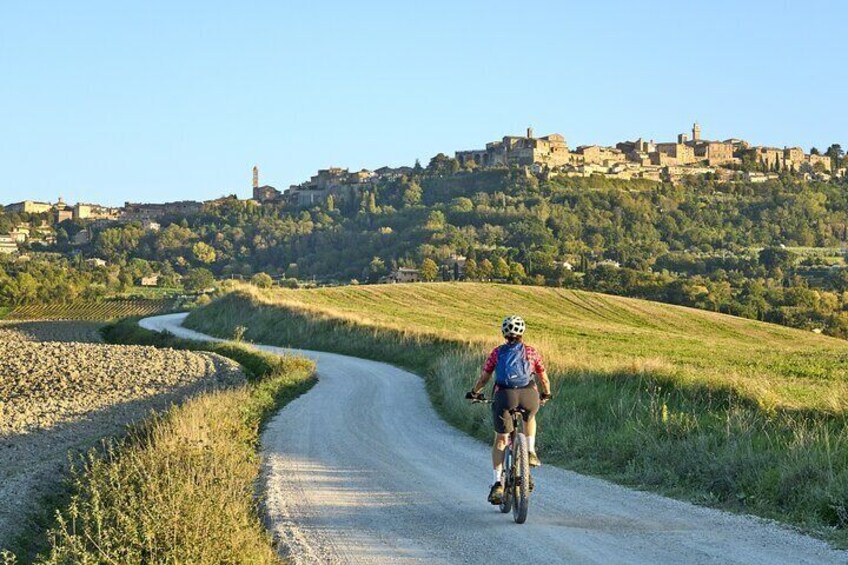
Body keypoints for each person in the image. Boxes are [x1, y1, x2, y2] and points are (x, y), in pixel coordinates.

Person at [466, 315, 552, 505]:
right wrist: (546, 394)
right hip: (529, 395)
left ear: (504, 333)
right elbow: (543, 378)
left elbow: (484, 378)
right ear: (522, 332)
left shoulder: (497, 353)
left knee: (501, 438)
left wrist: (474, 392)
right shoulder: (531, 352)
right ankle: (529, 451)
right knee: (529, 418)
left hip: (504, 396)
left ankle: (497, 483)